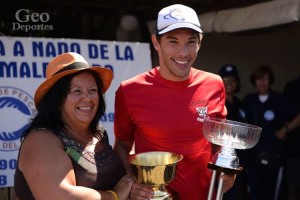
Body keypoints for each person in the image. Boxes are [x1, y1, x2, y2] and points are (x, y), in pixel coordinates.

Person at [113, 4, 235, 200]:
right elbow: (121, 145)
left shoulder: (215, 84)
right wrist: (131, 183)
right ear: (156, 42)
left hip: (206, 195)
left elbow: (219, 141)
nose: (183, 53)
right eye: (173, 41)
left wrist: (224, 171)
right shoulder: (129, 90)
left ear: (200, 43)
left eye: (191, 42)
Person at [14, 52, 134, 200]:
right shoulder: (40, 140)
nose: (87, 98)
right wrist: (114, 196)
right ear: (56, 100)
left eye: (92, 90)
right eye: (77, 91)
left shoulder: (98, 134)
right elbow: (60, 197)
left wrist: (133, 188)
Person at [243, 65, 298, 200]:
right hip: (253, 158)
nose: (262, 83)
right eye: (258, 79)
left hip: (275, 157)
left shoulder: (279, 99)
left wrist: (286, 129)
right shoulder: (249, 100)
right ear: (254, 81)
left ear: (270, 80)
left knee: (272, 195)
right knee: (254, 194)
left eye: (265, 79)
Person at [219, 64, 249, 200]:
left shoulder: (241, 104)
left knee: (238, 194)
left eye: (232, 80)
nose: (229, 83)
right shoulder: (216, 103)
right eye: (225, 80)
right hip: (222, 161)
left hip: (240, 160)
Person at [275, 75, 300, 200]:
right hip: (295, 149)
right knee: (292, 189)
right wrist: (285, 129)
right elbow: (282, 113)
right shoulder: (293, 86)